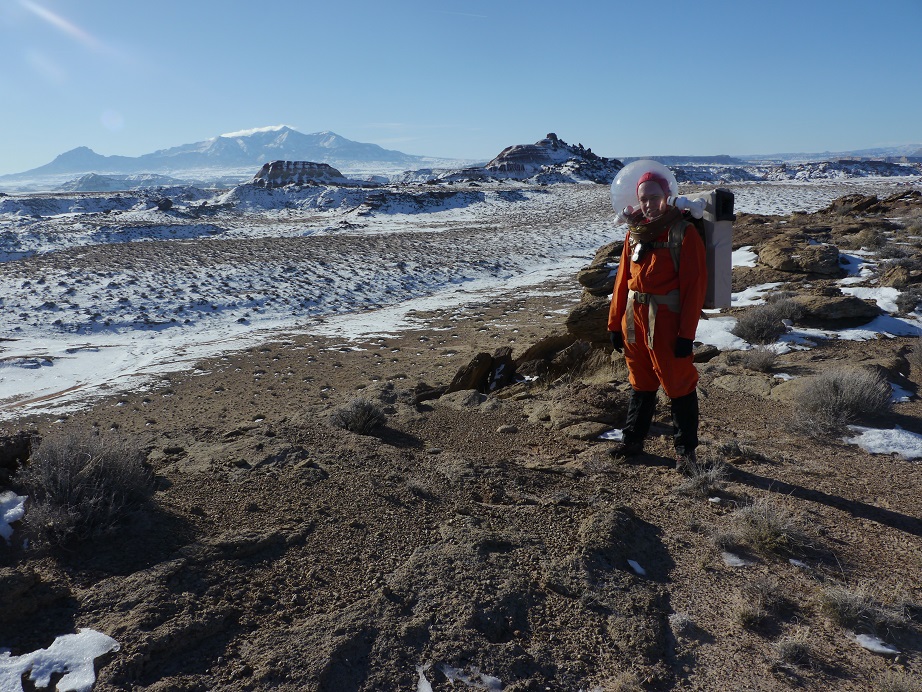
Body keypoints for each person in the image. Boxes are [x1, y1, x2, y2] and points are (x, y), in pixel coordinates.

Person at [607, 171, 707, 472]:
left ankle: (685, 452)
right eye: (643, 199)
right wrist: (614, 324)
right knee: (641, 381)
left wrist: (686, 334)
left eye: (654, 197)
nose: (648, 204)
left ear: (667, 196)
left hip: (667, 322)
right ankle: (632, 440)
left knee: (678, 383)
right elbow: (622, 282)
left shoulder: (683, 232)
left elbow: (695, 287)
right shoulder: (634, 232)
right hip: (634, 319)